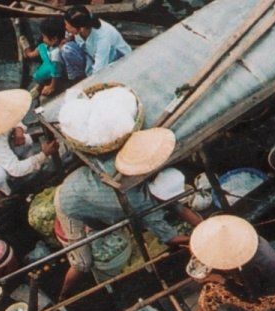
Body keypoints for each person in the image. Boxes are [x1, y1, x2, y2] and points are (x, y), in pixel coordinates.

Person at [54, 128, 202, 299]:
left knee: (105, 220)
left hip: (80, 181)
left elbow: (179, 207)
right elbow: (170, 238)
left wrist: (203, 227)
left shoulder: (144, 171)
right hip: (69, 200)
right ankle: (62, 297)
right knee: (83, 263)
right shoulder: (144, 205)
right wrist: (196, 240)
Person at [175, 215, 275, 311]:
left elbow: (251, 297)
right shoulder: (250, 239)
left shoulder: (248, 269)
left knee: (212, 290)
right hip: (269, 277)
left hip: (268, 298)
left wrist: (220, 279)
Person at [0, 89, 54, 196]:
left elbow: (14, 119)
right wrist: (43, 155)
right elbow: (16, 169)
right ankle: (1, 192)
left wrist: (19, 130)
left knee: (27, 140)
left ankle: (23, 168)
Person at [25, 14, 86, 98]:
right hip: (50, 52)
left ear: (54, 39)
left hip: (58, 67)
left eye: (44, 37)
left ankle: (39, 86)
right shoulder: (65, 38)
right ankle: (29, 53)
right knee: (41, 47)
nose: (43, 39)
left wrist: (52, 86)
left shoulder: (56, 54)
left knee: (42, 73)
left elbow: (55, 73)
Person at [64, 7, 131, 75]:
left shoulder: (103, 37)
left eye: (68, 25)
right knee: (67, 49)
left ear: (82, 28)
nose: (66, 27)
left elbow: (99, 69)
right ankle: (79, 78)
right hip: (93, 55)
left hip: (118, 60)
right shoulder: (81, 27)